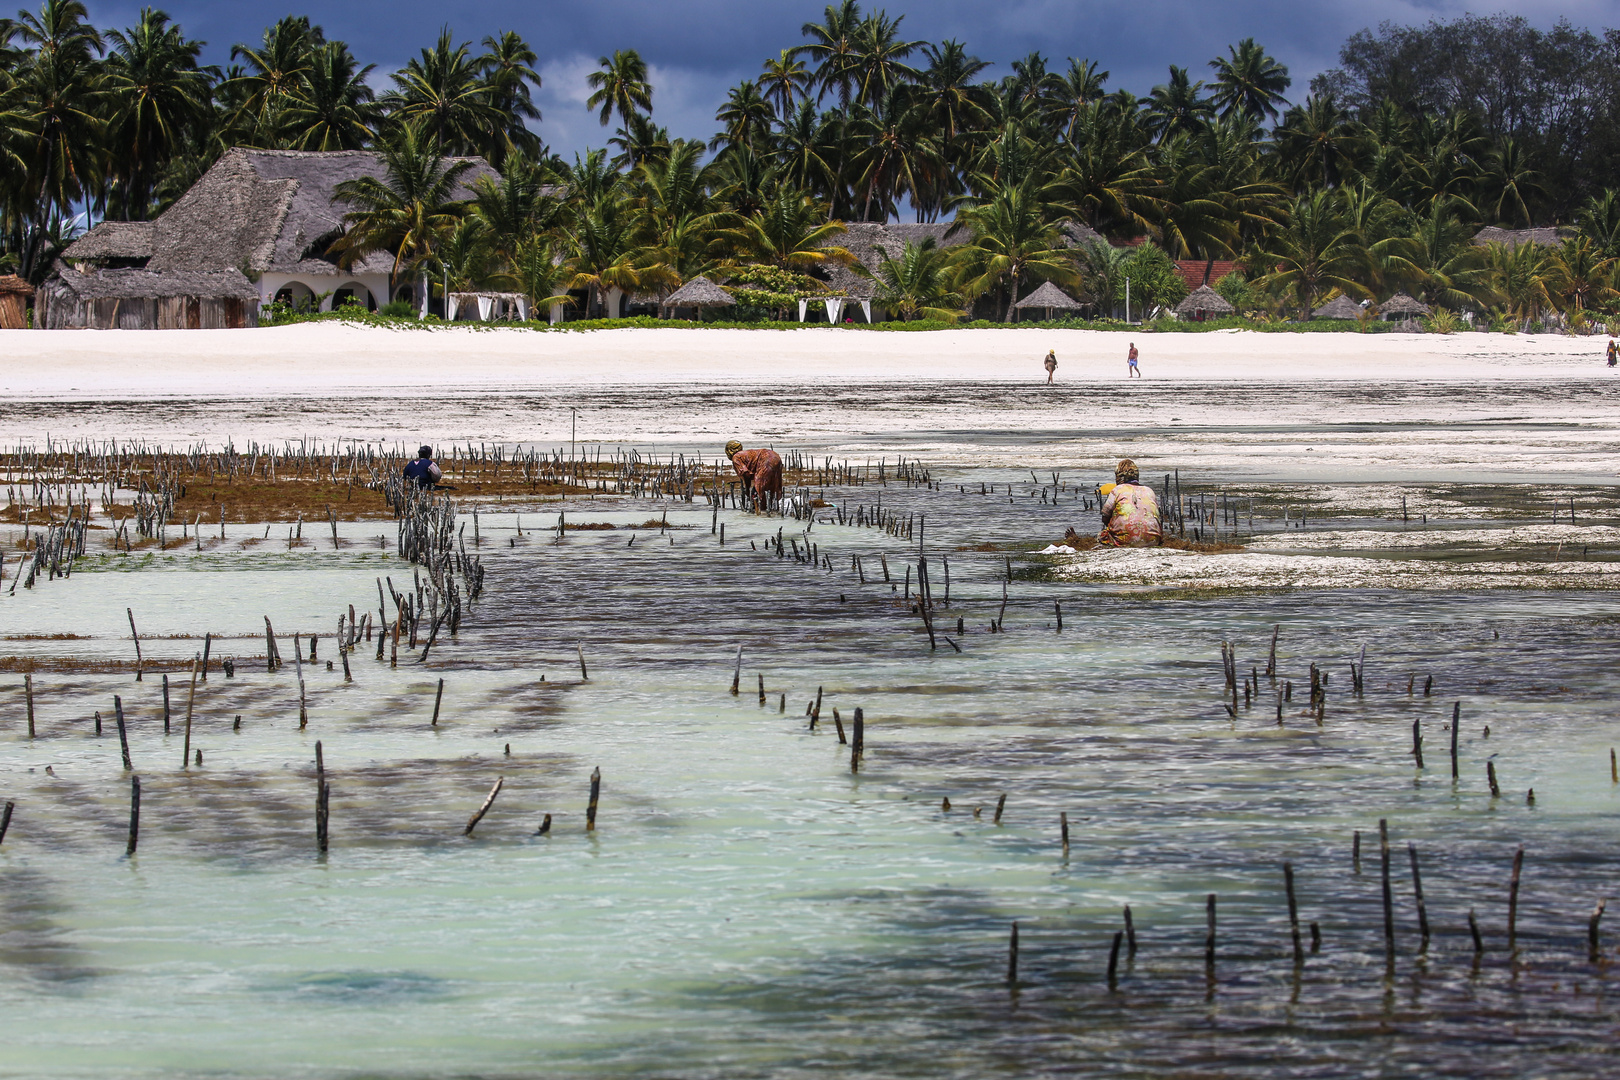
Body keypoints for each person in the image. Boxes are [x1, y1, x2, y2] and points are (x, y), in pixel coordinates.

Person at [1098, 459, 1162, 547]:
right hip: (1153, 540)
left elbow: (1105, 516)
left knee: (1101, 536)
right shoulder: (1149, 491)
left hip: (1124, 541)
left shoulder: (1117, 490)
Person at [725, 439, 784, 506]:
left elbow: (745, 473)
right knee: (772, 485)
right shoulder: (744, 454)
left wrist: (747, 489)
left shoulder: (736, 457)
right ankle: (769, 507)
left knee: (758, 490)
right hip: (774, 455)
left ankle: (761, 509)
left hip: (766, 459)